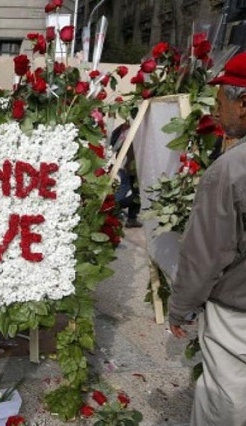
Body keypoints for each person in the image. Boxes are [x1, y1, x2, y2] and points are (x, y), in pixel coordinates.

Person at [169, 52, 246, 425]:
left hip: (238, 316)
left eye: (221, 103)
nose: (217, 114)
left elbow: (206, 253)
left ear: (243, 103)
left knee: (226, 401)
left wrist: (180, 307)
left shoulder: (231, 169)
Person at [110, 122, 143, 228]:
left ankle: (130, 217)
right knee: (135, 193)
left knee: (130, 190)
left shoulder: (123, 128)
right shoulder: (132, 129)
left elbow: (113, 144)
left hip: (125, 165)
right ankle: (115, 207)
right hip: (130, 166)